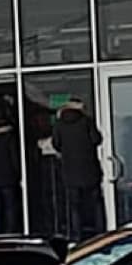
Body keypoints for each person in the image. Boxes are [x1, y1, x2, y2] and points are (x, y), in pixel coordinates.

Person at [51, 98, 105, 238]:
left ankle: (77, 236)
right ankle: (101, 233)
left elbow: (56, 144)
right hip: (90, 168)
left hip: (70, 170)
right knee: (96, 203)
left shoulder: (59, 124)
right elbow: (97, 139)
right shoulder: (87, 121)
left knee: (74, 206)